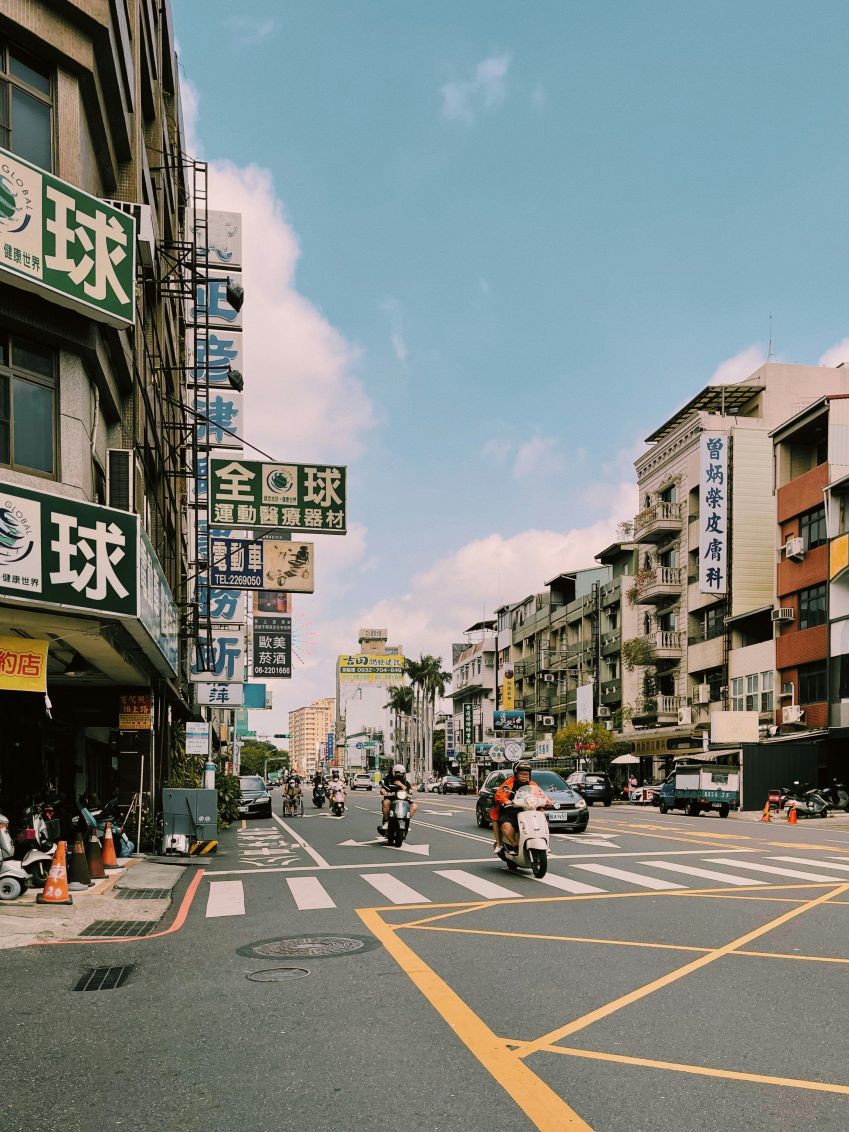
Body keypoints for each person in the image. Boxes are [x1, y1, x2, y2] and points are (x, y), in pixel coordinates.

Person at [490, 761, 545, 857]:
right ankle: (514, 845)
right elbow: (499, 795)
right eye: (522, 774)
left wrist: (547, 801)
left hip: (528, 811)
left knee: (542, 821)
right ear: (516, 774)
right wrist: (505, 800)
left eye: (527, 774)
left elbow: (540, 794)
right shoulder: (508, 783)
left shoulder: (532, 784)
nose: (525, 776)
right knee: (505, 825)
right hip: (511, 811)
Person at [378, 763, 417, 834]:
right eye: (398, 773)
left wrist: (401, 785)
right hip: (391, 799)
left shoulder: (405, 782)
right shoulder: (388, 780)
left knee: (414, 806)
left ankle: (405, 821)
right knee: (385, 802)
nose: (400, 775)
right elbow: (382, 789)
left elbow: (410, 791)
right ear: (394, 773)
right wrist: (384, 791)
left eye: (402, 774)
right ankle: (386, 822)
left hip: (403, 800)